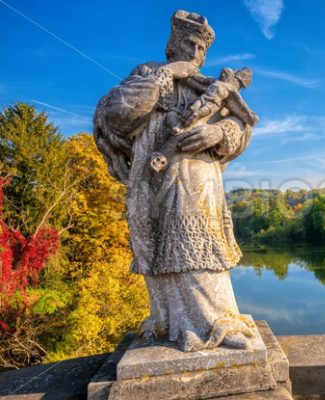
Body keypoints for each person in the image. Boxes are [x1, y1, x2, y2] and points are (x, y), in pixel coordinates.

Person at [93, 10, 257, 351]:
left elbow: (242, 127)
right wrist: (167, 76)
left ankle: (218, 321)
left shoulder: (210, 87)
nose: (196, 54)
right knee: (167, 249)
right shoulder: (147, 75)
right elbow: (115, 116)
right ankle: (177, 323)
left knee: (201, 245)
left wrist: (217, 132)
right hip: (153, 179)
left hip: (201, 181)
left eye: (201, 49)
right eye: (190, 44)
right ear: (173, 45)